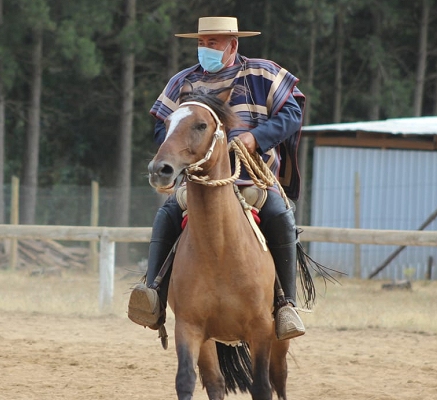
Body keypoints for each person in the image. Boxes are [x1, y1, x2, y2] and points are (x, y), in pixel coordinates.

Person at [128, 16, 307, 341]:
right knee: (167, 213)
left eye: (213, 43)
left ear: (232, 45)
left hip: (253, 178)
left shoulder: (262, 72)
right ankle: (152, 293)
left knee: (280, 214)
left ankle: (285, 305)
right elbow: (162, 127)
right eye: (201, 43)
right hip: (199, 182)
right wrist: (184, 151)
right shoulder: (183, 82)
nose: (205, 49)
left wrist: (256, 138)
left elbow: (292, 113)